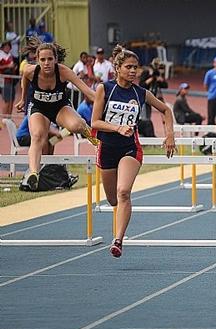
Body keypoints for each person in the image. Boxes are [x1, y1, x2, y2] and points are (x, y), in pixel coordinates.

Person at [91, 45, 176, 258]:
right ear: (117, 68)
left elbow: (166, 109)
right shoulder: (105, 89)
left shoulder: (141, 93)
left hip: (130, 148)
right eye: (128, 67)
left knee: (123, 192)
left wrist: (170, 134)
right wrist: (117, 127)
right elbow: (95, 122)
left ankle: (118, 240)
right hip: (107, 148)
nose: (133, 71)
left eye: (135, 68)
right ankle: (118, 224)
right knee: (113, 200)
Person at [14, 37, 98, 191]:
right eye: (43, 59)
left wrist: (105, 100)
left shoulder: (64, 71)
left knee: (76, 125)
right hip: (39, 108)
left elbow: (86, 91)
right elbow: (24, 79)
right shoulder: (30, 71)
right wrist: (23, 98)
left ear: (56, 59)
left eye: (50, 59)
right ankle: (34, 173)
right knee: (38, 136)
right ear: (37, 60)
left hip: (59, 107)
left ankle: (94, 138)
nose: (46, 63)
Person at [138, 57, 169, 137]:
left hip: (152, 97)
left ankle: (147, 134)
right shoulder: (146, 72)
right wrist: (151, 78)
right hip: (144, 97)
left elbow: (165, 85)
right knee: (144, 118)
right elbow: (141, 85)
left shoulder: (157, 74)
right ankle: (143, 135)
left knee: (148, 116)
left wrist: (160, 79)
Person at [0, 40, 16, 116]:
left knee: (11, 99)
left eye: (8, 46)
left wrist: (13, 68)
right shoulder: (1, 55)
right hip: (4, 80)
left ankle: (9, 117)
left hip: (11, 80)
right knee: (7, 99)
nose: (7, 48)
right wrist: (7, 66)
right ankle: (4, 118)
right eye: (5, 46)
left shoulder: (10, 56)